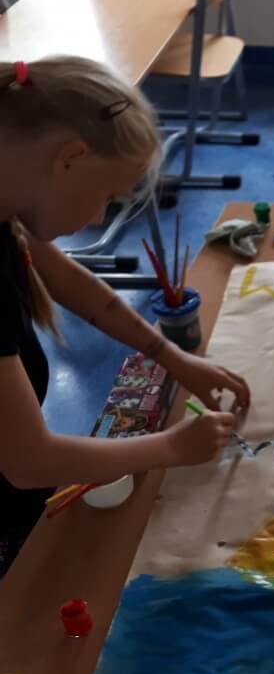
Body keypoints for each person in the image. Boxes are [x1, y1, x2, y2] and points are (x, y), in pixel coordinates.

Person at [0, 57, 250, 577]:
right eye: (108, 197)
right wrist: (169, 447)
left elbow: (76, 287)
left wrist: (172, 357)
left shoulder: (10, 202)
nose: (98, 217)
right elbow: (28, 462)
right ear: (69, 159)